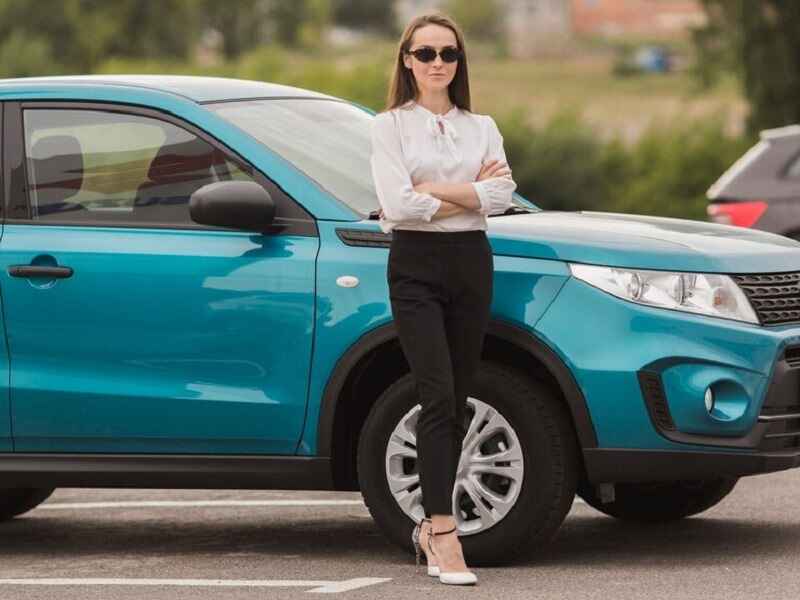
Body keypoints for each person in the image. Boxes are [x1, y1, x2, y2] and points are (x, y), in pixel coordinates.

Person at [369, 11, 517, 586]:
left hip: (470, 263)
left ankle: (433, 528)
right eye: (425, 53)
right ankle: (443, 530)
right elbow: (398, 209)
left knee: (457, 401)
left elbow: (503, 196)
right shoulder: (389, 127)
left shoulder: (482, 126)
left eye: (447, 54)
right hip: (415, 266)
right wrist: (469, 194)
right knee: (435, 396)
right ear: (407, 60)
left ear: (459, 62)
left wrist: (433, 190)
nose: (437, 64)